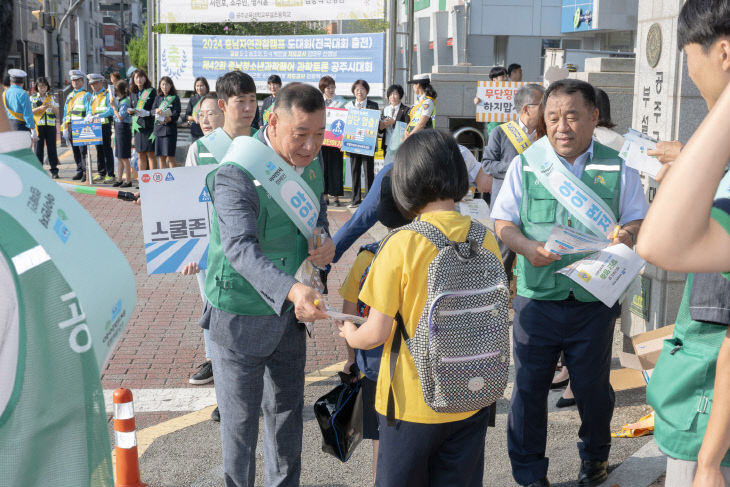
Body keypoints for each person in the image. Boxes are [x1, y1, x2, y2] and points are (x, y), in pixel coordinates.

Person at [491, 78, 648, 487]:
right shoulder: (528, 164)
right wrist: (525, 246)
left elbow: (636, 216)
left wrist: (627, 235)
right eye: (554, 117)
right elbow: (503, 221)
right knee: (528, 390)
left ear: (594, 118)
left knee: (593, 390)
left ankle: (594, 457)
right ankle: (529, 474)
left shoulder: (617, 167)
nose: (562, 127)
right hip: (537, 297)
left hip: (594, 301)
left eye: (572, 117)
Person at [338, 130, 500, 487]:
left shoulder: (400, 244)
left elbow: (376, 333)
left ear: (406, 183)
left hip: (411, 402)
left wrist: (350, 333)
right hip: (472, 394)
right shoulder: (484, 236)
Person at [203, 81, 333, 486]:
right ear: (273, 122)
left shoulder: (312, 163)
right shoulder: (235, 171)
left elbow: (318, 218)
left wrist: (325, 244)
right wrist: (295, 291)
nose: (311, 146)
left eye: (319, 134)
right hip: (240, 315)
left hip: (288, 319)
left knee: (287, 419)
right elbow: (240, 250)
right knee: (240, 429)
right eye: (301, 134)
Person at [635, 1, 730, 485]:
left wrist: (710, 459)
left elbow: (661, 242)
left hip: (710, 413)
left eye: (689, 55)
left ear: (724, 53)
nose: (690, 71)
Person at [338, 173, 410, 482]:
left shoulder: (367, 257)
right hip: (418, 367)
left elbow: (349, 312)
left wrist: (351, 353)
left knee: (383, 441)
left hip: (374, 365)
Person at [481, 83, 544, 281]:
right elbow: (487, 165)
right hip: (507, 205)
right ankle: (498, 294)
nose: (547, 109)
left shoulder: (547, 135)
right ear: (527, 109)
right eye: (543, 105)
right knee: (504, 255)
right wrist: (517, 167)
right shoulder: (501, 132)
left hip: (538, 205)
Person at [345, 79, 379, 207]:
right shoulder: (349, 105)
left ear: (367, 91)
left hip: (367, 144)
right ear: (354, 92)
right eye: (357, 90)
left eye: (362, 89)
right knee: (354, 171)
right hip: (353, 144)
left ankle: (369, 201)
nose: (360, 92)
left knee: (368, 171)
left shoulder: (373, 105)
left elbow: (377, 123)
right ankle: (355, 199)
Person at [319, 75, 346, 206]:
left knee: (336, 167)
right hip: (322, 140)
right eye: (328, 87)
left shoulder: (342, 102)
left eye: (333, 87)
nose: (331, 90)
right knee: (323, 167)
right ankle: (324, 196)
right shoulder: (318, 101)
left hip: (336, 140)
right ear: (323, 88)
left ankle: (335, 196)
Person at [87, 73, 116, 184]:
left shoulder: (107, 94)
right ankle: (101, 172)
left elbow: (111, 110)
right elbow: (90, 108)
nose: (93, 86)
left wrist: (99, 115)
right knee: (98, 149)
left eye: (95, 83)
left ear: (101, 82)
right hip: (95, 125)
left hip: (104, 124)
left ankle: (110, 174)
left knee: (107, 149)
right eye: (91, 84)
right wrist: (90, 115)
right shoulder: (93, 95)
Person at [63, 69, 92, 181]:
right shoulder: (69, 95)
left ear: (82, 81)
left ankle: (85, 172)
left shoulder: (86, 94)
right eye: (73, 81)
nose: (75, 83)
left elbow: (89, 109)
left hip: (81, 125)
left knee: (82, 150)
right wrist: (64, 127)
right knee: (75, 150)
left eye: (77, 80)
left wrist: (87, 118)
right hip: (71, 125)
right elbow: (66, 112)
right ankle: (79, 170)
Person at [30, 76, 60, 178]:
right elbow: (29, 112)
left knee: (52, 149)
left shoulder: (52, 98)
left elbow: (57, 112)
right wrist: (39, 108)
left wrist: (52, 107)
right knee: (38, 150)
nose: (42, 88)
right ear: (37, 87)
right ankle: (39, 171)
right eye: (40, 86)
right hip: (38, 126)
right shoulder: (33, 98)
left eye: (44, 86)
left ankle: (54, 171)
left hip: (50, 126)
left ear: (47, 87)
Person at [128, 68, 156, 170]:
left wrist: (148, 113)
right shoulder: (133, 93)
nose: (139, 80)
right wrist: (130, 111)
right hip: (138, 128)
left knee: (151, 154)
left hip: (149, 127)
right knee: (140, 154)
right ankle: (142, 181)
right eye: (136, 78)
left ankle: (153, 181)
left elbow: (156, 109)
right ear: (133, 80)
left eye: (141, 77)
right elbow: (132, 106)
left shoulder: (152, 91)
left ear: (145, 78)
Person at [151, 76, 181, 169]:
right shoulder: (157, 98)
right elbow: (152, 111)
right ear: (160, 86)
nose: (164, 86)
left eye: (167, 84)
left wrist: (169, 118)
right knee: (161, 157)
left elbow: (177, 112)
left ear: (171, 85)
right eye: (163, 84)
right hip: (159, 130)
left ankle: (174, 180)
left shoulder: (175, 98)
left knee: (170, 156)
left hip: (169, 130)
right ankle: (163, 180)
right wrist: (156, 110)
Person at [379, 84, 410, 157]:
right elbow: (381, 130)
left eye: (395, 94)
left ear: (400, 96)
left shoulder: (406, 110)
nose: (392, 96)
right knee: (388, 167)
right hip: (387, 144)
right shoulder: (385, 109)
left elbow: (407, 126)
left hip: (400, 145)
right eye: (390, 94)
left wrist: (394, 122)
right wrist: (381, 127)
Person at [112, 80, 133, 188]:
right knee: (119, 156)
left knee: (124, 157)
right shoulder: (121, 101)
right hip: (119, 130)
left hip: (123, 130)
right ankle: (119, 179)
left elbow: (120, 117)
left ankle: (128, 180)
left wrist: (114, 108)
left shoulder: (125, 102)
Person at [405, 74, 436, 138]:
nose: (413, 87)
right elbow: (413, 119)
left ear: (418, 85)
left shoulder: (427, 102)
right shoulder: (418, 101)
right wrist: (406, 131)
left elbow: (422, 123)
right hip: (414, 134)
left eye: (413, 85)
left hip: (423, 136)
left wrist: (411, 135)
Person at [3, 69, 34, 134]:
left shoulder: (4, 93)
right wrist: (32, 129)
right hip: (21, 126)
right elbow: (28, 114)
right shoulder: (23, 93)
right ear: (23, 82)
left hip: (8, 125)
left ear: (11, 81)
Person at [185, 76, 209, 141]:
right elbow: (187, 116)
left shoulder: (210, 99)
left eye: (201, 85)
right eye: (197, 86)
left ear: (206, 86)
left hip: (207, 132)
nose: (199, 88)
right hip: (195, 132)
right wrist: (193, 118)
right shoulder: (193, 99)